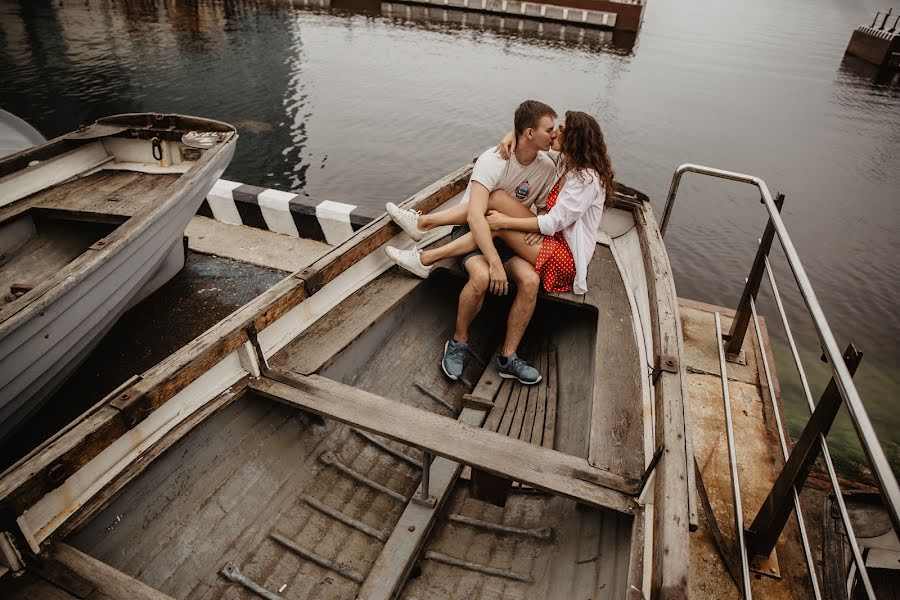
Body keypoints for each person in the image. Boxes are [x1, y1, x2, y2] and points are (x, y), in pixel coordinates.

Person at [386, 110, 613, 376]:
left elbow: (553, 223)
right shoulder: (566, 162)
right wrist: (511, 136)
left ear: (574, 138)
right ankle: (423, 234)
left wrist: (505, 222)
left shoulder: (587, 180)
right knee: (496, 201)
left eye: (560, 130)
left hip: (565, 257)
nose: (555, 133)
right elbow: (528, 140)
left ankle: (425, 253)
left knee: (505, 237)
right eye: (553, 128)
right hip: (548, 239)